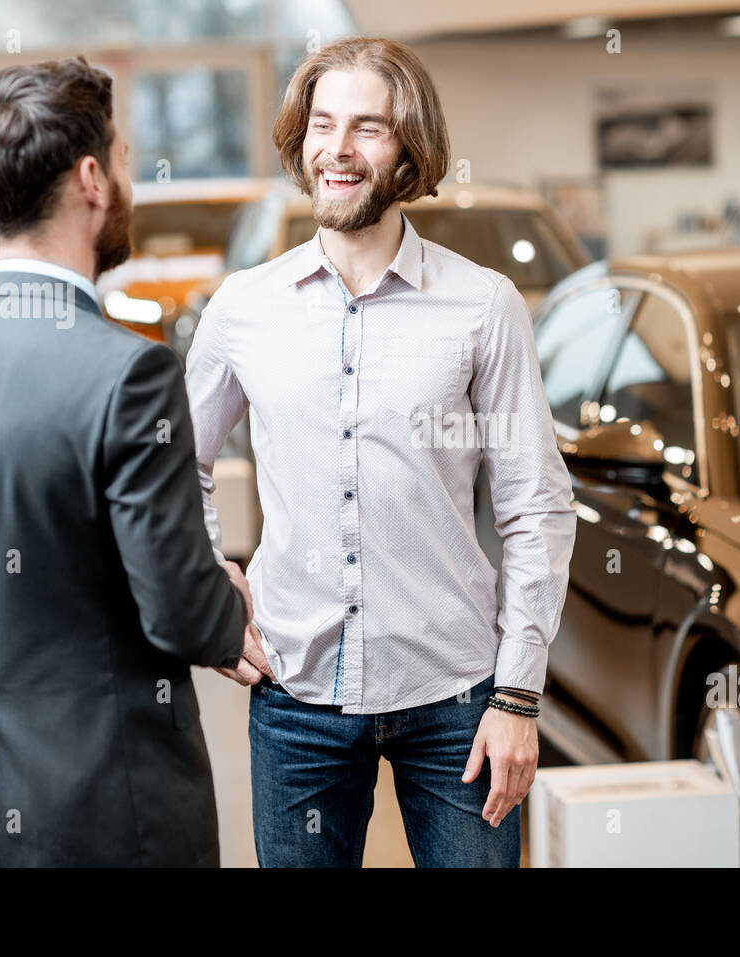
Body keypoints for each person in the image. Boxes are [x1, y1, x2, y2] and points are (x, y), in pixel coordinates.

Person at [0, 56, 266, 867]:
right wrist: (227, 604)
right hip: (114, 810)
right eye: (122, 160)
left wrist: (18, 620)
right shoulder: (130, 373)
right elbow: (178, 610)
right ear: (90, 177)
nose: (129, 181)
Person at [185, 36, 576, 867]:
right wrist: (210, 574)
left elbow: (534, 504)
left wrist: (519, 694)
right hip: (296, 700)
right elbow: (176, 464)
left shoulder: (483, 306)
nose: (339, 148)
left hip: (458, 698)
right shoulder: (243, 309)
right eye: (323, 124)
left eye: (368, 127)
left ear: (410, 150)